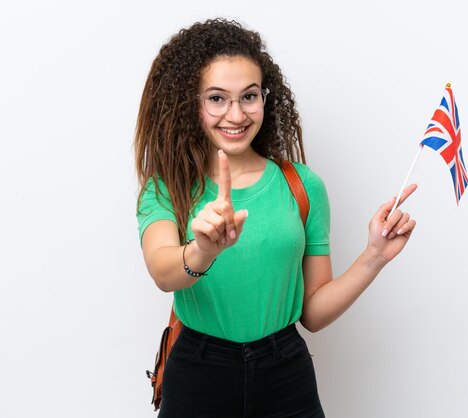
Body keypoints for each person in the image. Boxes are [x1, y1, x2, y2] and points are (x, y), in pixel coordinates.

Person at [134, 18, 417, 418]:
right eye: (216, 98)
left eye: (249, 96)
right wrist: (202, 250)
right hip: (199, 370)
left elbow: (314, 314)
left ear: (266, 98)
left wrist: (374, 256)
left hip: (285, 368)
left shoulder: (302, 186)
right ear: (190, 103)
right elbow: (163, 271)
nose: (236, 114)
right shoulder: (167, 188)